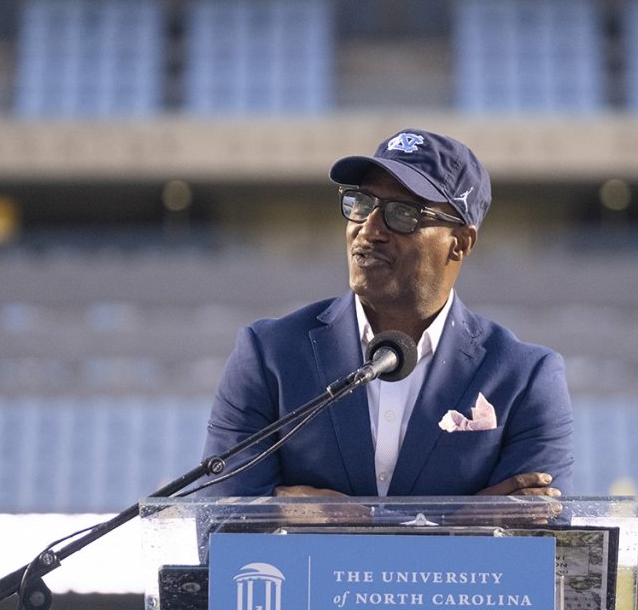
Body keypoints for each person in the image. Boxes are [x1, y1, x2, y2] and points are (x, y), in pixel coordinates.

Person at [200, 128, 573, 500]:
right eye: (361, 203)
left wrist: (303, 513)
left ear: (460, 243)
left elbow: (543, 539)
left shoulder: (526, 377)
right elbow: (216, 522)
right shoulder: (269, 355)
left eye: (402, 213)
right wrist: (467, 518)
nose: (369, 228)